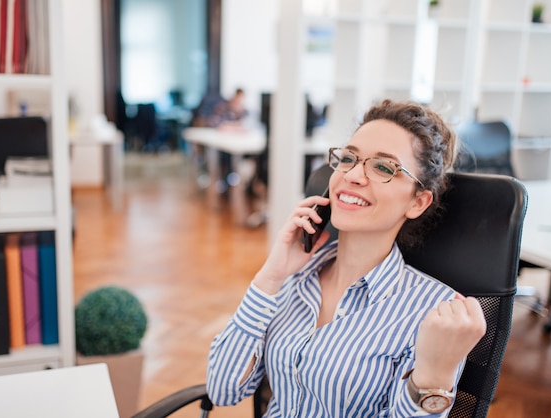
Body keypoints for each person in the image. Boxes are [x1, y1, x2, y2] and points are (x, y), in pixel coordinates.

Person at [206, 99, 487, 417]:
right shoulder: (294, 277)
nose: (352, 175)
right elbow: (223, 390)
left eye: (383, 167)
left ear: (418, 202)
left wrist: (434, 378)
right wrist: (270, 276)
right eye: (349, 158)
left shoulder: (433, 313)